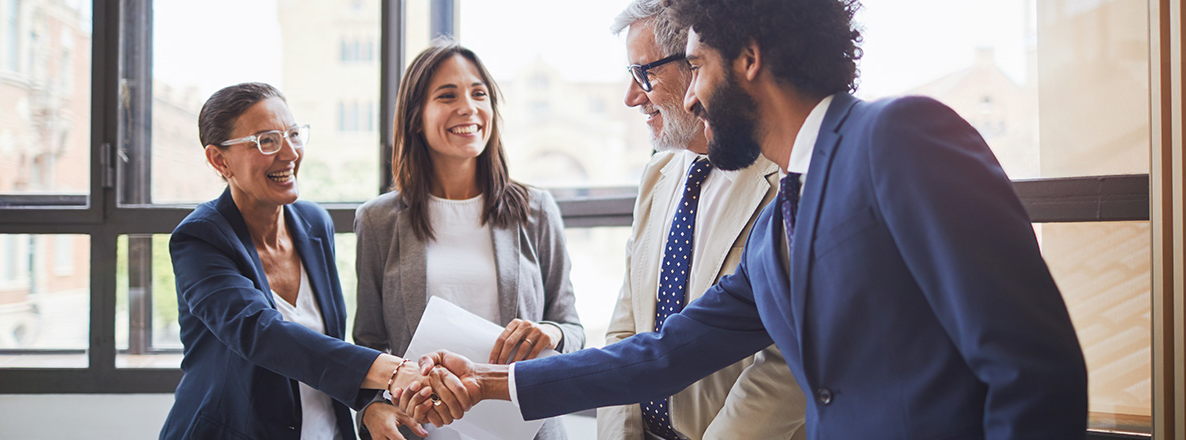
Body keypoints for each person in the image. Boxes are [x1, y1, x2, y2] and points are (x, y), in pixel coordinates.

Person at [404, 0, 1090, 438]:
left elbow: (1034, 369)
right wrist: (486, 381)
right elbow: (663, 354)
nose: (694, 96)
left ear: (750, 59)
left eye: (696, 66)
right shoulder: (775, 233)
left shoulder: (900, 135)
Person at [161, 82, 445, 440]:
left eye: (293, 134)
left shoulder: (314, 223)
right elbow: (262, 334)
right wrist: (393, 370)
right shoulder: (200, 239)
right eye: (267, 141)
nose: (289, 153)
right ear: (220, 160)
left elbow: (324, 342)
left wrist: (369, 402)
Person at [352, 42, 584, 440]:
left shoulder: (537, 210)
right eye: (447, 96)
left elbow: (573, 328)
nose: (468, 107)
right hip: (422, 432)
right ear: (415, 118)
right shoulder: (378, 221)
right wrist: (372, 409)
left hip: (527, 431)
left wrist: (552, 333)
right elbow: (369, 344)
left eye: (479, 94)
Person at [598, 1, 804, 439]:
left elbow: (786, 361)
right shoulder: (658, 174)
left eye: (643, 74)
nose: (632, 96)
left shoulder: (782, 178)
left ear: (696, 65)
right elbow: (626, 326)